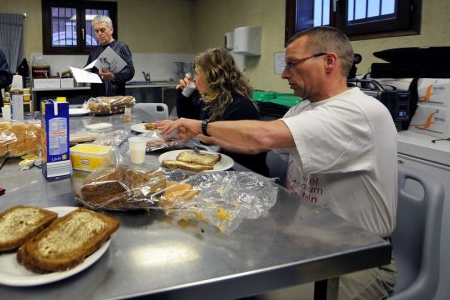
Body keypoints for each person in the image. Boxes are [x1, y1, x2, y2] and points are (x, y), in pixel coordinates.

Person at [157, 27, 397, 300]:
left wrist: (201, 125)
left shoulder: (358, 111)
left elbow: (263, 136)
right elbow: (254, 144)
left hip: (354, 258)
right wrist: (198, 135)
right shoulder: (303, 108)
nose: (284, 74)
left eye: (292, 64)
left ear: (329, 61)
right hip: (300, 243)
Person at [176, 48, 269, 176]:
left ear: (212, 76)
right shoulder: (210, 101)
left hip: (245, 176)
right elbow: (188, 120)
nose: (195, 79)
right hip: (223, 169)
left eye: (198, 74)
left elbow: (243, 151)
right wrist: (185, 94)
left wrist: (198, 134)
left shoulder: (240, 106)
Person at [85, 15, 134, 97]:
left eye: (102, 30)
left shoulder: (121, 47)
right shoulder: (94, 51)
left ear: (111, 30)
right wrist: (81, 72)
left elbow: (130, 71)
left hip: (115, 98)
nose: (100, 34)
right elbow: (89, 70)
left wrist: (113, 77)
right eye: (96, 31)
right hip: (96, 99)